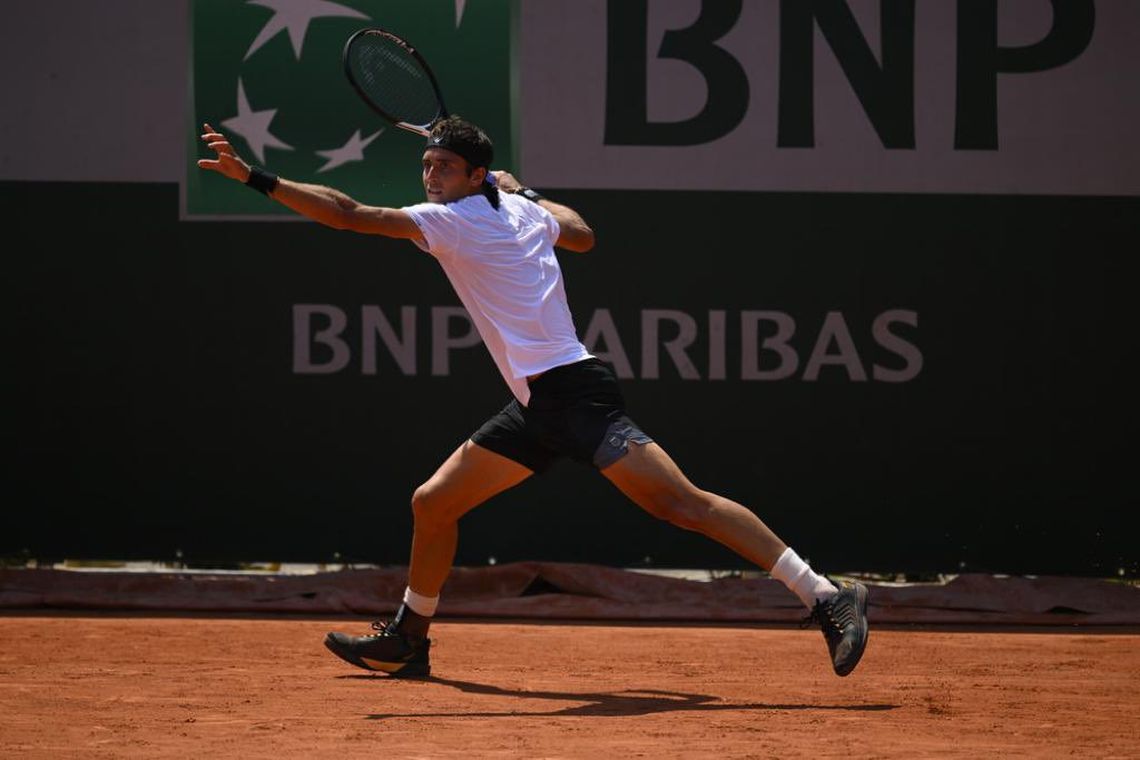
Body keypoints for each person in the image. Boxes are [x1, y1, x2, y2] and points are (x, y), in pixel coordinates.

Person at [197, 116, 869, 679]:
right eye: (428, 165)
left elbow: (348, 214)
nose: (430, 177)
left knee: (682, 505)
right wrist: (528, 192)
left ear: (472, 176)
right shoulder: (518, 208)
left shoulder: (454, 222)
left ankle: (828, 596)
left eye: (444, 167)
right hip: (536, 406)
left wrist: (257, 178)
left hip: (575, 395)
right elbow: (581, 233)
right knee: (433, 503)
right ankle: (410, 636)